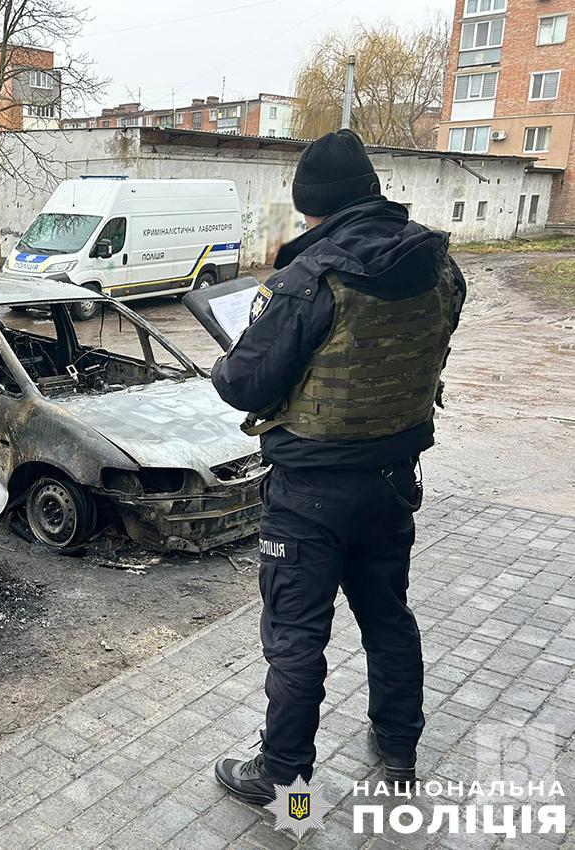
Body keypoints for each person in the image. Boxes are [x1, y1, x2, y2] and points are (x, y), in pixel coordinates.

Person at [209, 129, 466, 804]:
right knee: (388, 617)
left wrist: (229, 352)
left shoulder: (308, 278)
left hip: (309, 495)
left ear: (312, 207)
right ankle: (399, 746)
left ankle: (283, 775)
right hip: (391, 484)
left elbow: (243, 383)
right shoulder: (441, 266)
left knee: (296, 638)